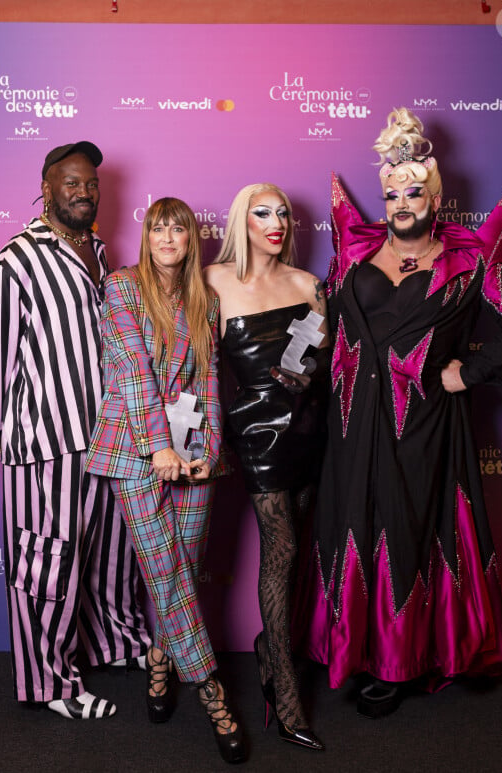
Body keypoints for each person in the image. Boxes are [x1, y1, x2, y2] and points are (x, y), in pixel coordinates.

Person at [296, 108, 502, 718]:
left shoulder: (468, 263)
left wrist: (471, 371)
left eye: (413, 192)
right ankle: (349, 648)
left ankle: (397, 663)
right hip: (352, 423)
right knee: (352, 520)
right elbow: (321, 319)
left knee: (407, 528)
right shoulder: (353, 257)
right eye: (392, 194)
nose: (402, 203)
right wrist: (289, 364)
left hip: (424, 423)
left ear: (436, 197)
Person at [0, 142, 151, 718]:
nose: (84, 191)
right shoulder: (15, 261)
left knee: (112, 554)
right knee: (45, 562)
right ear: (47, 187)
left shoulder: (99, 255)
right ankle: (51, 685)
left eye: (91, 183)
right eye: (71, 182)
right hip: (47, 441)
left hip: (107, 436)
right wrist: (7, 430)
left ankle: (116, 643)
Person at [84, 197, 246, 764]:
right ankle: (213, 693)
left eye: (178, 228)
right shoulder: (123, 287)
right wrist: (158, 446)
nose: (169, 237)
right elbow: (131, 373)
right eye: (159, 228)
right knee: (168, 570)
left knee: (180, 570)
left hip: (193, 450)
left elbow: (209, 382)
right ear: (146, 236)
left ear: (190, 238)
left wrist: (208, 451)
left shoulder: (204, 300)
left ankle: (160, 658)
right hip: (136, 451)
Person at [205, 183, 329, 750]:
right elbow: (184, 355)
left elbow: (318, 361)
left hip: (310, 429)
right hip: (256, 434)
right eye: (263, 213)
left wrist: (310, 373)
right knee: (280, 552)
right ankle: (286, 696)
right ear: (242, 221)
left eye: (282, 213)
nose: (276, 222)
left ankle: (266, 648)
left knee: (299, 548)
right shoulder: (213, 281)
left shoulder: (308, 285)